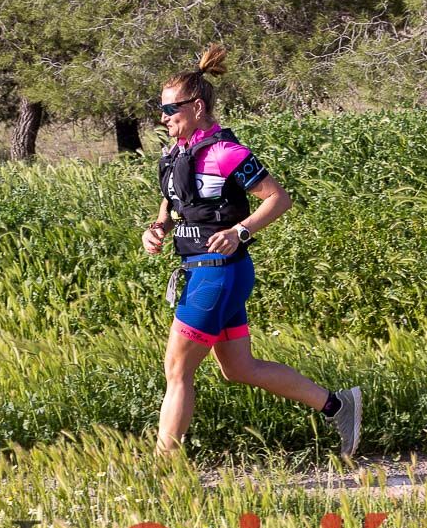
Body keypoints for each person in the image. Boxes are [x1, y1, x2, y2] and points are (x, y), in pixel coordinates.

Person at [142, 44, 362, 458]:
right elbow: (171, 206)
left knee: (177, 371)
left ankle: (164, 470)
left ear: (197, 106)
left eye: (169, 108)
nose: (163, 116)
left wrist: (240, 231)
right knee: (239, 368)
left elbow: (278, 199)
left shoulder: (228, 153)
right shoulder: (174, 155)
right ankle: (338, 405)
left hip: (218, 273)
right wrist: (156, 229)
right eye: (160, 108)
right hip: (203, 270)